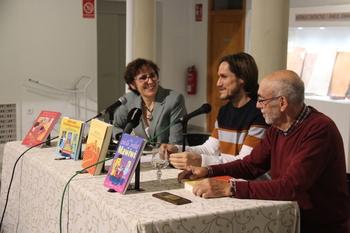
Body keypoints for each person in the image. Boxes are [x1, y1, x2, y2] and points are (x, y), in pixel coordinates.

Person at [178, 70, 350, 233]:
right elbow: (250, 165)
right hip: (287, 218)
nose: (258, 106)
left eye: (262, 100)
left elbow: (291, 187)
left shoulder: (319, 130)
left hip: (318, 227)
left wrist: (230, 188)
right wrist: (209, 170)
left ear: (282, 103)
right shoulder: (279, 127)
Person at [162, 53, 269, 171]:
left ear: (242, 78)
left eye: (224, 76)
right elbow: (210, 149)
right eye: (219, 77)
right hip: (226, 177)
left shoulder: (259, 113)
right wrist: (177, 150)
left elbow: (246, 161)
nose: (218, 83)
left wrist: (201, 161)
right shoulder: (225, 111)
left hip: (247, 184)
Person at [113, 58, 187, 145]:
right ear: (133, 85)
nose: (150, 81)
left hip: (167, 156)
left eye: (152, 75)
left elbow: (176, 141)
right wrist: (125, 138)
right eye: (143, 78)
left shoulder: (174, 99)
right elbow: (115, 127)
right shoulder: (129, 100)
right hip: (141, 156)